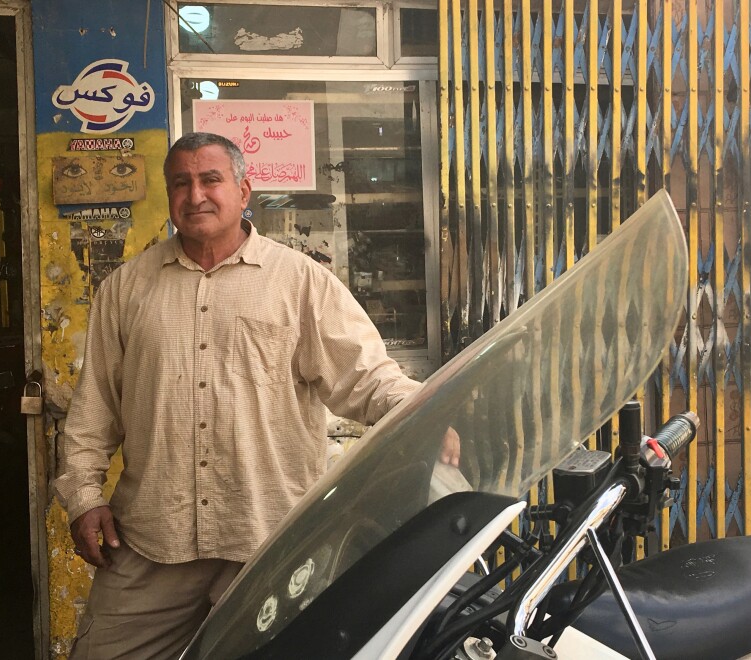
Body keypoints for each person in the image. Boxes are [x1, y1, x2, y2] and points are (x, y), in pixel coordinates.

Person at [54, 131, 459, 659]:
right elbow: (94, 411)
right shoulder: (126, 289)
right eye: (181, 183)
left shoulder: (300, 282)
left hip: (268, 538)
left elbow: (365, 376)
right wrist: (84, 500)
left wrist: (423, 413)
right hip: (152, 541)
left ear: (244, 192)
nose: (196, 195)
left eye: (211, 180)